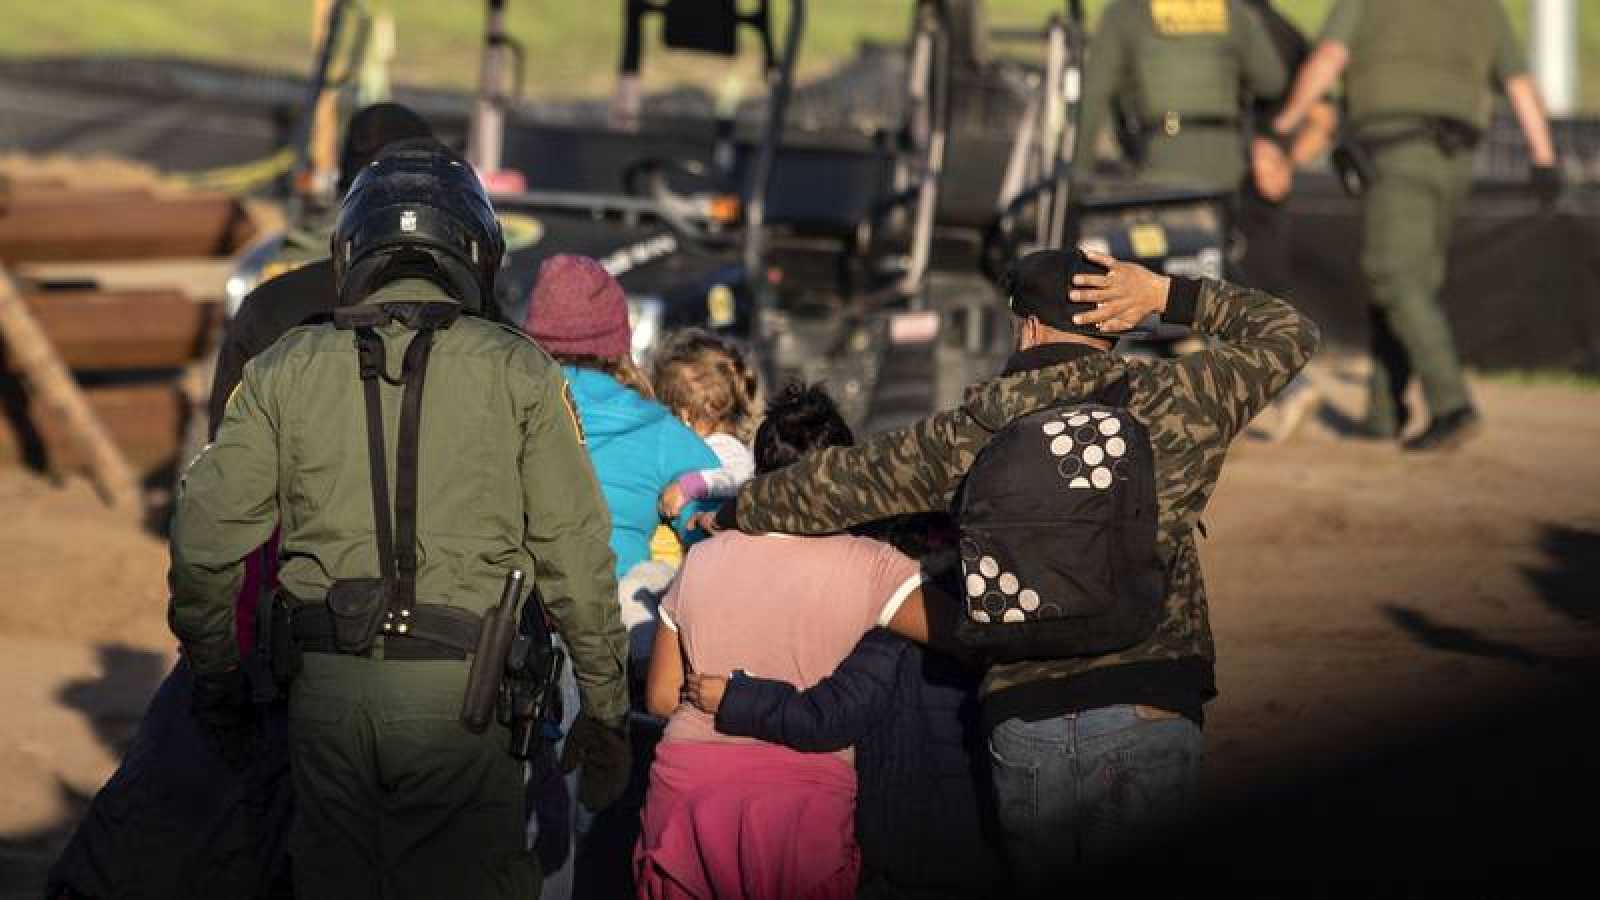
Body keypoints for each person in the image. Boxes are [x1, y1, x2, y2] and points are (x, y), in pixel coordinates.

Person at [702, 247, 1318, 884]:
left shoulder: (971, 430)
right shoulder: (1177, 399)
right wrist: (1166, 295)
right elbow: (1289, 332)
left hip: (1024, 718)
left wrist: (734, 509)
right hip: (1148, 699)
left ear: (1026, 327)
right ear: (1114, 323)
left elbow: (836, 486)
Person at [167, 140, 631, 899]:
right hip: (467, 704)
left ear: (354, 247)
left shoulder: (285, 367)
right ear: (476, 250)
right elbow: (575, 556)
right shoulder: (521, 370)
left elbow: (203, 539)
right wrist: (606, 709)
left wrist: (217, 675)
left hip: (324, 694)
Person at [636, 385, 936, 900]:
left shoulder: (700, 559)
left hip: (687, 794)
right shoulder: (876, 567)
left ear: (761, 474)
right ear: (843, 476)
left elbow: (662, 698)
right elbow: (964, 632)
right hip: (803, 805)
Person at [1271, 0, 1561, 451]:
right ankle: (1384, 411)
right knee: (1410, 279)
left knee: (1394, 276)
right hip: (1455, 158)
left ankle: (1452, 404)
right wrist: (1543, 157)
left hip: (1398, 152)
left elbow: (1329, 57)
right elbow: (1519, 81)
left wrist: (1283, 125)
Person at [684, 513, 1009, 900]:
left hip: (915, 839)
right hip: (988, 837)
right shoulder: (1004, 625)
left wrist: (736, 697)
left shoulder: (895, 633)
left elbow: (830, 717)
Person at [1235, 0, 1338, 442]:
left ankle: (1291, 386)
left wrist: (1284, 160)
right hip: (1227, 177)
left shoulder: (1272, 32)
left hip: (1248, 186)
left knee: (1240, 292)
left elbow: (1323, 117)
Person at [1072, 0, 1286, 193]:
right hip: (1229, 166)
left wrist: (1076, 179)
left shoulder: (1125, 14)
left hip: (1160, 160)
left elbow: (1092, 100)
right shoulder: (1232, 11)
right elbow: (1272, 82)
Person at [651, 327, 761, 522]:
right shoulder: (711, 445)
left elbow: (740, 477)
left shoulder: (724, 445)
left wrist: (688, 486)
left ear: (684, 415)